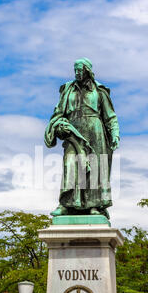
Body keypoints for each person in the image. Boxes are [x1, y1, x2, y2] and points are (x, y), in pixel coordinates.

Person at [44, 58, 119, 219]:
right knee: (70, 164)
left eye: (80, 70)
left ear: (87, 71)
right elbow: (59, 113)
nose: (77, 73)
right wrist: (57, 125)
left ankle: (94, 205)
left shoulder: (99, 91)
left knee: (95, 168)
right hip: (74, 132)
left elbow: (110, 117)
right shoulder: (68, 90)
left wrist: (115, 134)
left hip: (95, 131)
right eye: (75, 70)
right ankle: (66, 204)